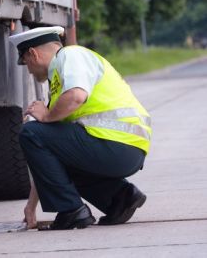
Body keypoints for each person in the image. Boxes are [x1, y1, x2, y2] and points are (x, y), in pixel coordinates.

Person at [9, 26, 151, 230]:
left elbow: (77, 96)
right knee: (43, 140)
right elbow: (46, 161)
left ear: (33, 53)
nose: (29, 70)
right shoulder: (60, 80)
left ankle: (72, 211)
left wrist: (47, 115)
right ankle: (120, 198)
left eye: (25, 62)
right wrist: (31, 206)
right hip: (123, 148)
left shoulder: (70, 55)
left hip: (116, 145)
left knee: (31, 132)